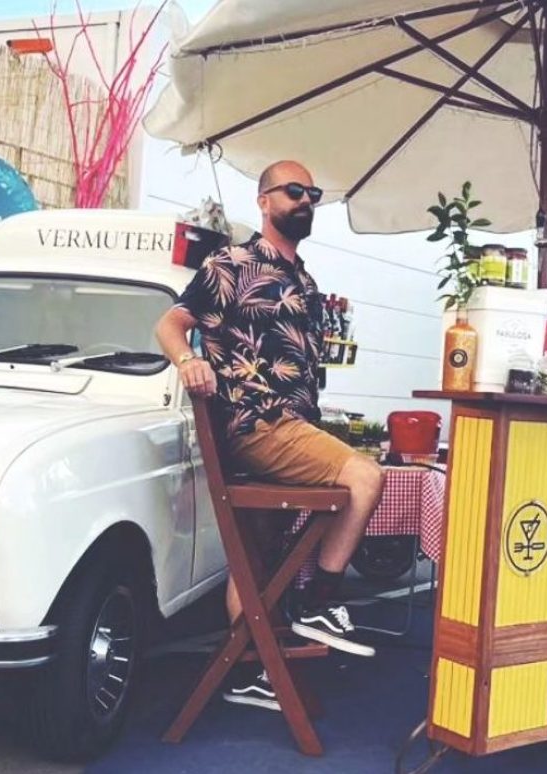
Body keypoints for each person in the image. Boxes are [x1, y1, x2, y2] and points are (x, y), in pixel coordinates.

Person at [154, 160, 385, 711]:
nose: (305, 200)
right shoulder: (231, 263)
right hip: (259, 423)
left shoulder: (306, 282)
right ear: (264, 201)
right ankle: (319, 603)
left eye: (313, 192)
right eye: (294, 191)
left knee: (258, 559)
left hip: (294, 427)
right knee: (364, 475)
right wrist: (188, 361)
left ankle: (249, 674)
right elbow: (170, 324)